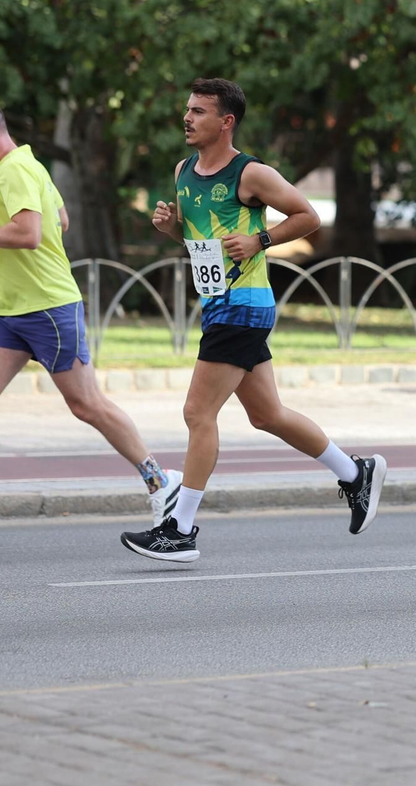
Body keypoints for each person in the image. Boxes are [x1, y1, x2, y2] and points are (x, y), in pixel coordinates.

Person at [119, 79, 385, 562]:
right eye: (188, 109)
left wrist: (261, 240)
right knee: (267, 415)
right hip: (218, 303)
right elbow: (199, 241)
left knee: (198, 414)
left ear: (226, 122)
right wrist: (170, 227)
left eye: (199, 111)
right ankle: (355, 473)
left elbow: (307, 216)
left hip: (243, 304)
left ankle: (180, 530)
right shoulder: (184, 170)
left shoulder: (251, 173)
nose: (188, 117)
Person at [0, 97, 181, 537]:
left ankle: (162, 482)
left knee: (87, 404)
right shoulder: (27, 165)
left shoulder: (16, 171)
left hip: (47, 308)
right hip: (11, 310)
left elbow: (30, 235)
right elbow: (60, 222)